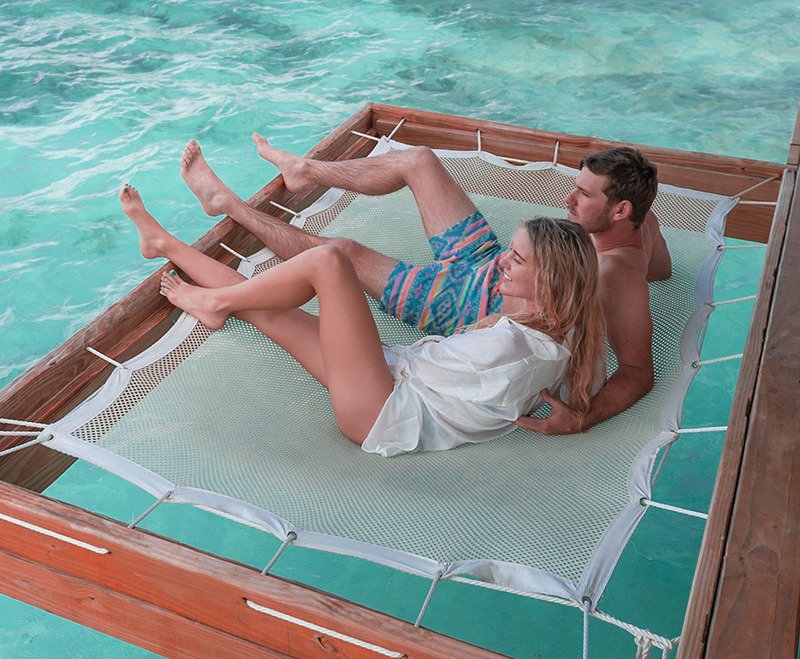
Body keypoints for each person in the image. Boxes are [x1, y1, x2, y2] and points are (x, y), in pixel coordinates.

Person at [180, 134, 672, 434]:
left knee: (343, 254)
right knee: (419, 160)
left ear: (620, 209)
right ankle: (303, 170)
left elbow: (635, 371)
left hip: (467, 303)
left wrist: (582, 418)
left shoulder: (614, 278)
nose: (568, 199)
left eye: (582, 195)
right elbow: (663, 268)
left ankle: (230, 208)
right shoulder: (640, 227)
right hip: (496, 267)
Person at [120, 184, 605, 457]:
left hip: (383, 408)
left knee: (329, 263)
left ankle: (215, 303)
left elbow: (423, 369)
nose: (500, 262)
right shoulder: (560, 327)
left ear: (551, 283)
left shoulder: (515, 348)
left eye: (516, 261)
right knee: (269, 312)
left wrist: (349, 335)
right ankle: (164, 245)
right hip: (385, 390)